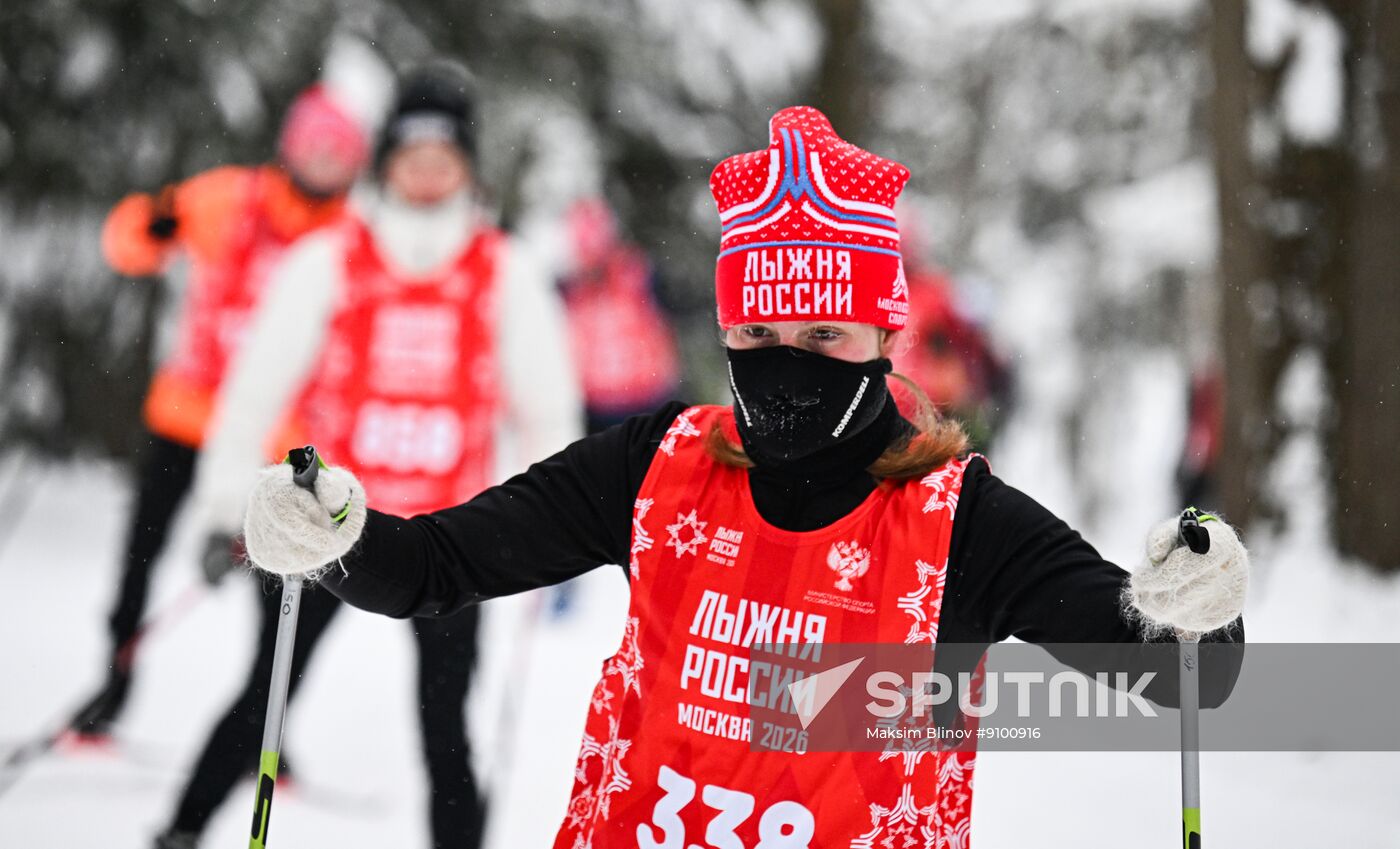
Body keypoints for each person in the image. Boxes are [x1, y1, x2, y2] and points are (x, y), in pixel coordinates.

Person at [228, 106, 1249, 847]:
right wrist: (335, 533)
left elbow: (1172, 674)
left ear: (882, 333)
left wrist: (1193, 607)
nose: (786, 361)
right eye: (756, 332)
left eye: (822, 334)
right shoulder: (655, 468)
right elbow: (432, 569)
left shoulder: (955, 521)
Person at [150, 65, 581, 849]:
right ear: (385, 158)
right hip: (328, 525)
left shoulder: (503, 270)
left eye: (444, 154)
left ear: (467, 165)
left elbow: (548, 411)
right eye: (410, 152)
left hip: (452, 533)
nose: (426, 171)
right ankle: (181, 831)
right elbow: (251, 390)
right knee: (265, 701)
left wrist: (539, 534)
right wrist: (222, 510)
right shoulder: (329, 258)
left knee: (445, 728)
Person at [71, 85, 369, 739]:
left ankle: (262, 725)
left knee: (281, 579)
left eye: (338, 151)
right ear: (289, 146)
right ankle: (112, 684)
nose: (323, 160)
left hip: (283, 434)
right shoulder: (232, 196)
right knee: (139, 555)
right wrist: (146, 228)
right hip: (190, 412)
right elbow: (129, 241)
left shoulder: (352, 238)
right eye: (312, 144)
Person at [557, 197, 682, 434]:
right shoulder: (568, 290)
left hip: (647, 400)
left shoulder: (639, 274)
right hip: (595, 409)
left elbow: (670, 320)